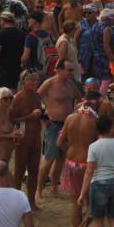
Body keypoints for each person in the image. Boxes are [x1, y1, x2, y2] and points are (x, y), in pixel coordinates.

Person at [37, 58, 82, 203]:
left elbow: (79, 98)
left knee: (61, 158)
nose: (70, 73)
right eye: (68, 70)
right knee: (49, 158)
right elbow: (35, 98)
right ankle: (38, 189)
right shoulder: (49, 83)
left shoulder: (70, 84)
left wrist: (77, 111)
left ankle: (54, 188)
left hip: (67, 125)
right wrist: (43, 115)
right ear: (60, 69)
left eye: (71, 70)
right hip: (53, 125)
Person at [57, 92, 102, 227]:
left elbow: (59, 143)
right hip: (88, 163)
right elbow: (99, 145)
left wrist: (71, 149)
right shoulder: (95, 121)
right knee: (91, 202)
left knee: (76, 203)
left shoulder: (70, 118)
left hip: (71, 162)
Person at [78, 114, 114, 227]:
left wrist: (82, 193)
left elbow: (89, 172)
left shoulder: (93, 147)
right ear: (110, 129)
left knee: (98, 219)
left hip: (99, 184)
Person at [11, 70, 44, 206]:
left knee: (34, 171)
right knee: (19, 171)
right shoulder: (18, 98)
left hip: (36, 137)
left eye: (36, 80)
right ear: (24, 82)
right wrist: (30, 117)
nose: (35, 83)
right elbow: (12, 118)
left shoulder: (37, 96)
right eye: (31, 80)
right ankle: (15, 202)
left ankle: (31, 201)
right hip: (23, 138)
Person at [0, 12, 26, 92]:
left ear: (3, 20)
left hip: (4, 67)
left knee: (5, 91)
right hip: (18, 66)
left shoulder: (0, 34)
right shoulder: (22, 34)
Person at [0, 86, 22, 164]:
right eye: (5, 99)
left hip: (7, 152)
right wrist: (10, 135)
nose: (9, 100)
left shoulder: (8, 110)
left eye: (10, 98)